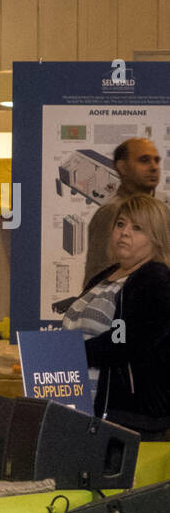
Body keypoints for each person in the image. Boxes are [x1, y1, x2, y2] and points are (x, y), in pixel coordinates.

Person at [63, 194, 170, 437]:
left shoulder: (155, 280)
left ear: (156, 239)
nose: (125, 232)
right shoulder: (104, 276)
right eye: (120, 224)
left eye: (137, 228)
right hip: (84, 409)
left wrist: (68, 355)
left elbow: (125, 341)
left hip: (128, 419)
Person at [82, 138, 163, 284]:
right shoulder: (111, 213)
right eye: (144, 160)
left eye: (156, 160)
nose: (154, 167)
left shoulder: (162, 210)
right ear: (122, 167)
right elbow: (96, 278)